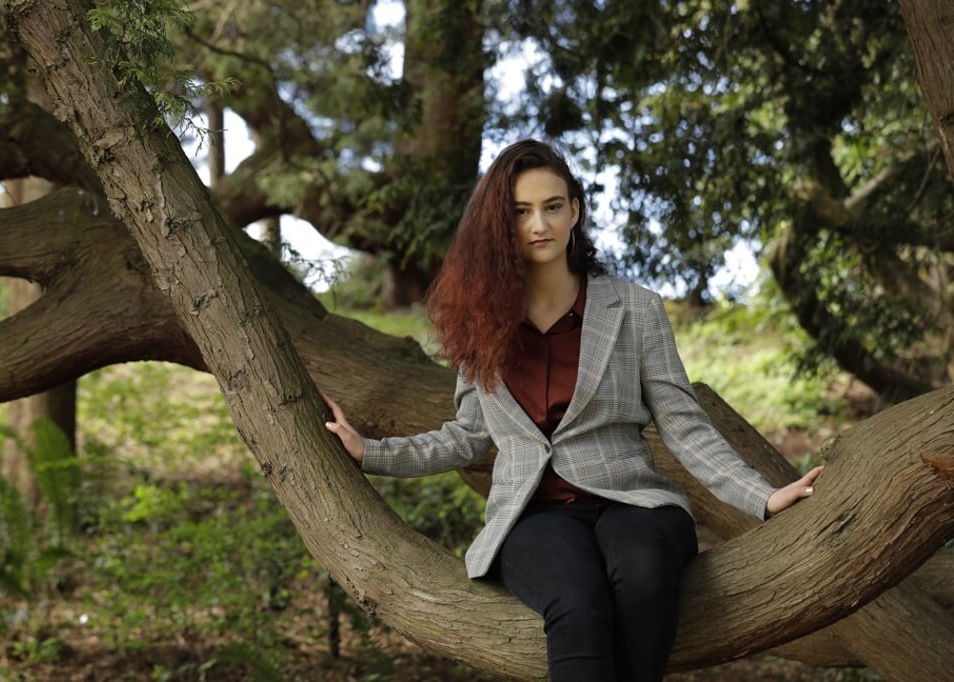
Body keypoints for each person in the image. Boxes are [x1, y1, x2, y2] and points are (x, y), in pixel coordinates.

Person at [323, 138, 822, 681]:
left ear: (574, 211)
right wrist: (370, 452)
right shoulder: (479, 322)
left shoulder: (634, 308)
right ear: (500, 224)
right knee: (578, 606)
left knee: (644, 574)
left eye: (552, 206)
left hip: (634, 502)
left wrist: (763, 496)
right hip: (534, 516)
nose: (539, 224)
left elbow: (683, 425)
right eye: (520, 211)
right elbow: (468, 435)